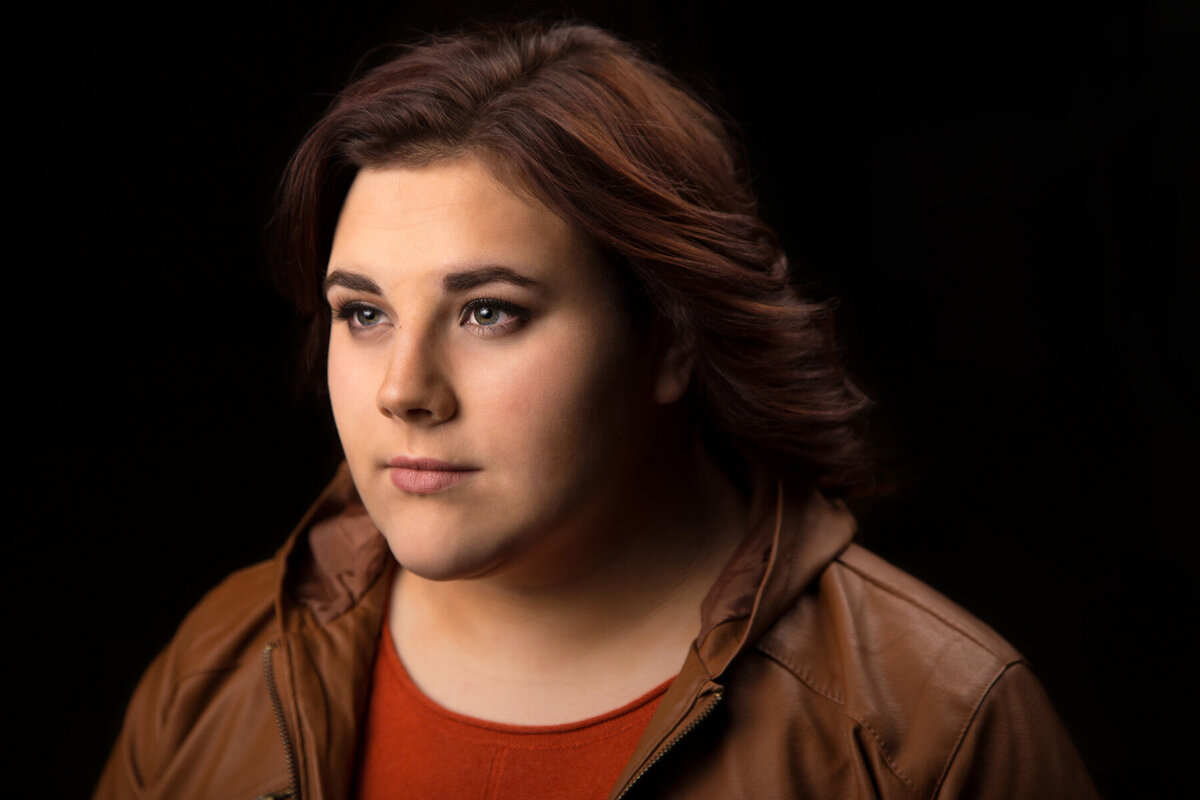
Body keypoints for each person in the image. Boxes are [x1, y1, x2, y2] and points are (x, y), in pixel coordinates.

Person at [95, 20, 1098, 800]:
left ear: (667, 338)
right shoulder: (226, 660)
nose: (404, 387)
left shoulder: (933, 728)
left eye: (488, 311)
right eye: (363, 311)